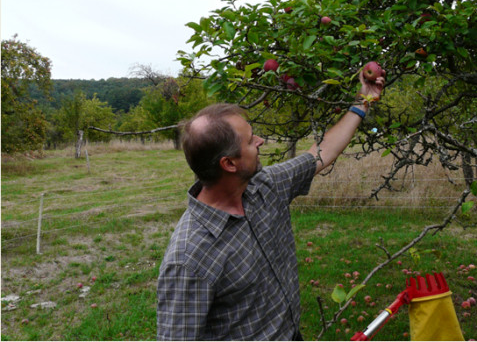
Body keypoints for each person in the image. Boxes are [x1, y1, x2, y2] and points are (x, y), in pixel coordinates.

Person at [157, 71, 385, 341]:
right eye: (251, 139)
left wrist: (363, 101)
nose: (260, 141)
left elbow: (320, 154)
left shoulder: (264, 187)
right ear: (229, 164)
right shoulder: (190, 257)